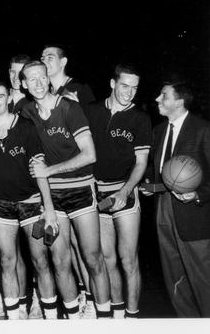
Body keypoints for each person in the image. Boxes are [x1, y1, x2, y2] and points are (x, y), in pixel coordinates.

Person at [20, 61, 112, 319]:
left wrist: (50, 170)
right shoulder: (27, 114)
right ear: (24, 85)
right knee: (60, 261)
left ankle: (104, 318)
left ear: (48, 79)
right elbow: (34, 164)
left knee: (93, 258)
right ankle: (72, 318)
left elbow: (90, 155)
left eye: (42, 78)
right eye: (32, 80)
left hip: (81, 189)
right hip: (52, 197)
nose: (38, 84)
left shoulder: (70, 109)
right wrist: (47, 207)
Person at [0, 82, 59, 319]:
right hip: (0, 205)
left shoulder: (26, 126)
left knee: (40, 261)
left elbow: (40, 170)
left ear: (9, 98)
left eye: (0, 96)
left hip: (31, 203)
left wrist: (48, 209)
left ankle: (50, 319)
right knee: (7, 262)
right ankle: (13, 320)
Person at [144, 78, 210, 317]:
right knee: (174, 276)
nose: (157, 100)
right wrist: (150, 185)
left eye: (163, 95)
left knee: (204, 279)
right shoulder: (159, 130)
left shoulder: (204, 129)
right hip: (163, 208)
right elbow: (165, 172)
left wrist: (199, 194)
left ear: (179, 101)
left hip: (194, 213)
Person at [87, 64, 152, 318]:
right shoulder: (91, 111)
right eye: (125, 86)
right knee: (107, 259)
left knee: (128, 260)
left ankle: (132, 316)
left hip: (125, 191)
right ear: (113, 84)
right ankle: (117, 316)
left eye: (134, 88)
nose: (130, 92)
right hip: (97, 192)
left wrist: (126, 191)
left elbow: (141, 162)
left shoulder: (140, 118)